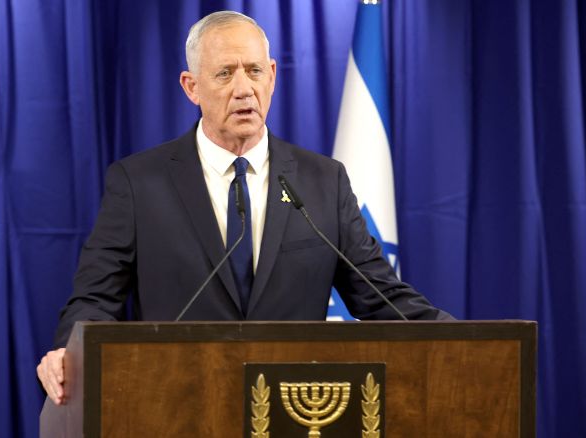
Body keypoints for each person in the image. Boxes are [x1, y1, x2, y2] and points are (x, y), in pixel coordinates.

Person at [37, 10, 452, 405]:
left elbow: (382, 297)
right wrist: (66, 352)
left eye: (254, 71)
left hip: (293, 407)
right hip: (175, 401)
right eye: (224, 73)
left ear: (272, 76)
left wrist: (471, 339)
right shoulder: (138, 182)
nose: (243, 88)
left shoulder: (323, 181)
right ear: (191, 86)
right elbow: (94, 299)